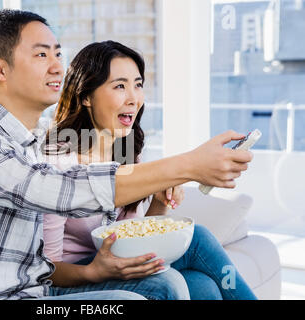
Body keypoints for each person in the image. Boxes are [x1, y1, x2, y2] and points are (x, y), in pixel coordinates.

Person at [0, 9, 254, 300]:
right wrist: (187, 166)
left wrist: (161, 196)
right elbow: (58, 190)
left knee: (202, 285)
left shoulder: (35, 141)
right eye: (40, 55)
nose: (56, 66)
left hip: (35, 287)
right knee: (165, 285)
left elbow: (120, 232)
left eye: (58, 54)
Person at [42, 40, 257, 300]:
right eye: (120, 86)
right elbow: (47, 270)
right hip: (72, 277)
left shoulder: (127, 150)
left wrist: (159, 202)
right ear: (86, 96)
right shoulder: (58, 162)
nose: (134, 98)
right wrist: (94, 271)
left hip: (116, 263)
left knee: (203, 286)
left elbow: (131, 235)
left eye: (138, 85)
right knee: (194, 243)